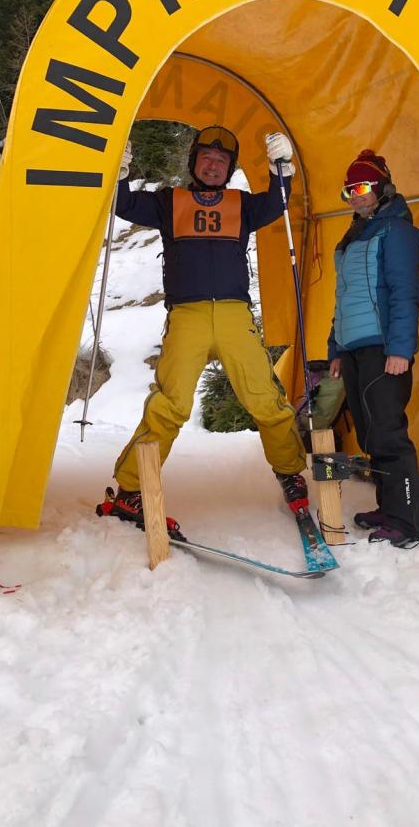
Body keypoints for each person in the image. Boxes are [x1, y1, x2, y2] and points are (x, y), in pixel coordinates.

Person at [98, 126, 308, 533]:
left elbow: (276, 203)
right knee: (169, 404)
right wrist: (118, 173)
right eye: (207, 158)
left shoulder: (241, 204)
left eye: (222, 161)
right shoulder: (169, 202)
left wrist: (282, 169)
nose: (213, 166)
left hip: (234, 315)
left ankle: (289, 471)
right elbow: (123, 204)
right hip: (187, 316)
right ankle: (131, 488)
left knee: (265, 399)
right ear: (194, 162)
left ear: (229, 169)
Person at [328, 149, 419, 548]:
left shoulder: (398, 231)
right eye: (348, 191)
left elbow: (405, 294)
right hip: (355, 349)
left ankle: (408, 521)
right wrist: (336, 348)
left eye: (362, 187)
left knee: (388, 434)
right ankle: (390, 509)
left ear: (383, 187)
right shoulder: (355, 234)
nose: (355, 197)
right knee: (370, 435)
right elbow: (343, 297)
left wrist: (401, 349)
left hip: (384, 348)